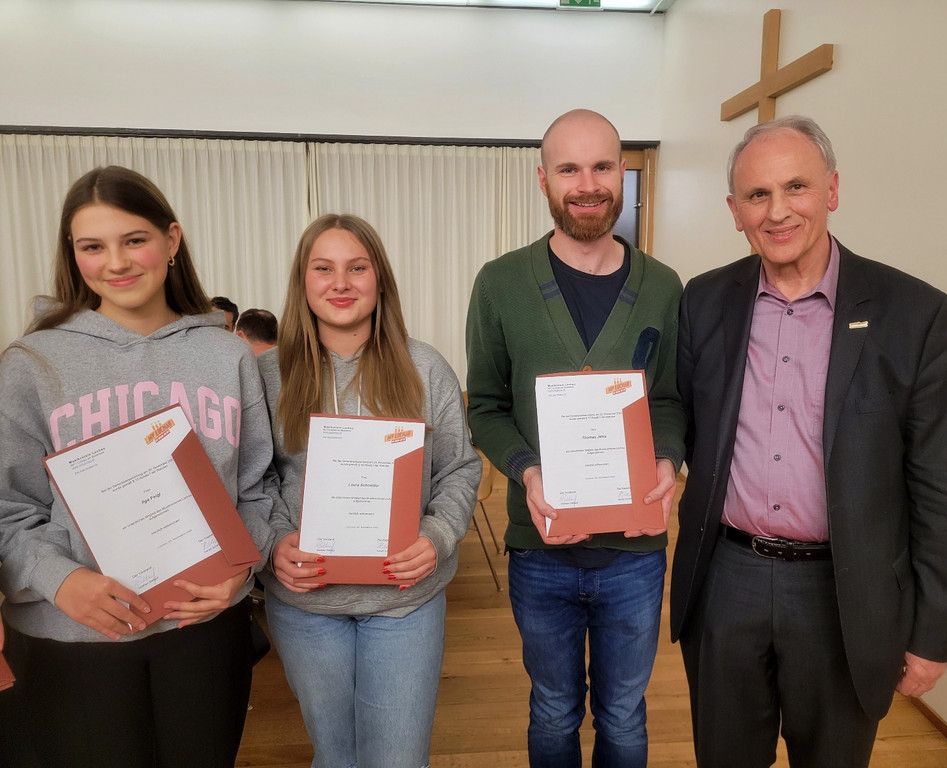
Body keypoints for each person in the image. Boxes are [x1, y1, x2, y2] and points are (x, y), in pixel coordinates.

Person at [669, 116, 947, 767]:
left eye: (796, 187)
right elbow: (684, 422)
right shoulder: (704, 300)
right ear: (735, 211)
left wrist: (933, 631)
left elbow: (941, 488)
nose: (778, 211)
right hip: (726, 579)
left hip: (845, 593)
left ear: (831, 190)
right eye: (757, 195)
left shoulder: (915, 314)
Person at [0, 166, 275, 767]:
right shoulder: (31, 363)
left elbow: (258, 489)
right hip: (73, 637)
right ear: (72, 255)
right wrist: (58, 579)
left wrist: (241, 567)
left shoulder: (226, 356)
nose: (117, 262)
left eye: (134, 240)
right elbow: (7, 509)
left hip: (202, 631)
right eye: (92, 247)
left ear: (171, 240)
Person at [465, 109, 685, 767]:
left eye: (601, 166)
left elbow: (670, 400)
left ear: (621, 174)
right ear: (543, 179)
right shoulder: (500, 284)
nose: (587, 184)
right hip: (541, 550)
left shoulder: (664, 287)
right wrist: (527, 469)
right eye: (569, 169)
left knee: (623, 714)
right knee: (554, 708)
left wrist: (668, 458)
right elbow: (486, 407)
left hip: (635, 551)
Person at [258, 213, 480, 768]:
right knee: (335, 757)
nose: (341, 283)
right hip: (307, 602)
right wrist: (274, 541)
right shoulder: (266, 374)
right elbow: (253, 479)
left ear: (380, 278)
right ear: (302, 280)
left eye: (357, 268)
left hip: (404, 600)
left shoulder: (425, 367)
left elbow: (458, 467)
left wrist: (437, 535)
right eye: (323, 268)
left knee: (398, 759)